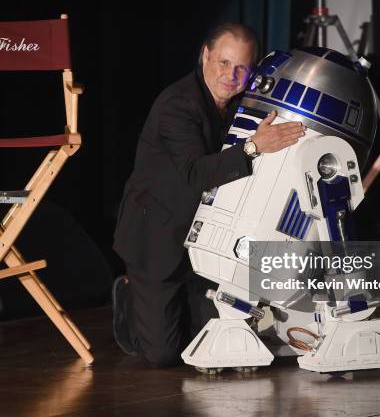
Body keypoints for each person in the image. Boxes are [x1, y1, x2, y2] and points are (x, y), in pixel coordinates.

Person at [112, 22, 306, 367]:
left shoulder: (239, 106)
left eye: (242, 67)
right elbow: (195, 173)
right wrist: (253, 147)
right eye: (223, 63)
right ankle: (129, 295)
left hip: (204, 240)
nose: (231, 75)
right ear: (205, 55)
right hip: (157, 238)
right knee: (163, 356)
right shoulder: (177, 104)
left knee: (215, 346)